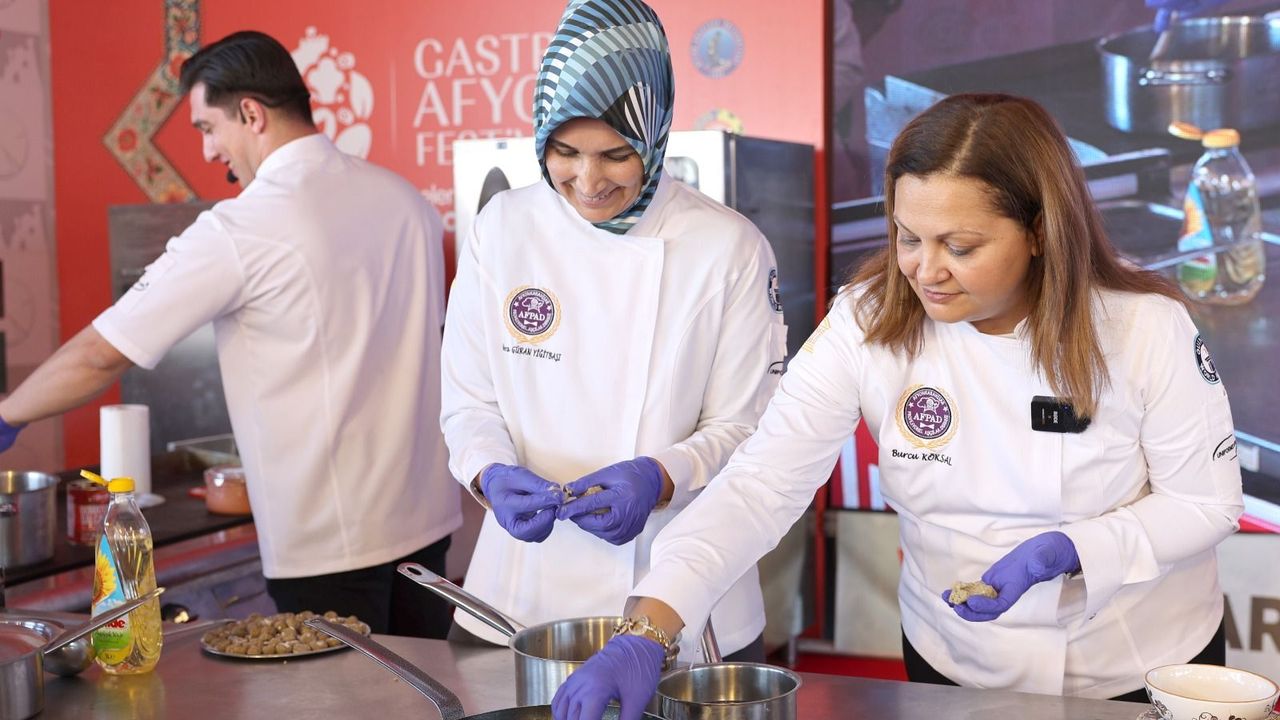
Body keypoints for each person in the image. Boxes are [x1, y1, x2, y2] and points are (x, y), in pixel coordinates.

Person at [552, 92, 1244, 720]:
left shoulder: (1143, 327)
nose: (925, 270)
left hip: (1134, 665)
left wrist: (1075, 549)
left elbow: (1203, 503)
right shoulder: (867, 320)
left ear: (1039, 230)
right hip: (955, 661)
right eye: (908, 237)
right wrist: (649, 625)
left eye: (961, 246)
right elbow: (761, 482)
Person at [0, 31, 460, 638]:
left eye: (207, 128)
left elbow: (98, 353)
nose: (210, 150)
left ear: (251, 113)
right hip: (426, 530)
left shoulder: (242, 226)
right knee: (426, 700)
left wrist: (8, 416)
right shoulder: (406, 202)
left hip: (326, 545)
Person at [439, 0, 786, 664]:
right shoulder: (502, 228)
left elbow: (752, 427)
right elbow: (469, 400)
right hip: (518, 597)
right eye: (564, 152)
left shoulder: (728, 246)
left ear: (655, 137)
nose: (588, 180)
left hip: (679, 595)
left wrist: (661, 476)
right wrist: (487, 473)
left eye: (616, 154)